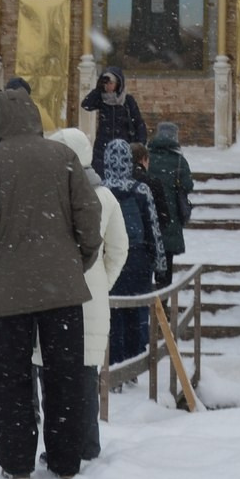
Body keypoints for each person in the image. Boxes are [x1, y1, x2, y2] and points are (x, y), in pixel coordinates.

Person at [0, 84, 104, 479]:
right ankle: (65, 460)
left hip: (9, 290)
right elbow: (88, 215)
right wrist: (78, 260)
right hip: (62, 288)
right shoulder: (63, 156)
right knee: (66, 375)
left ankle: (17, 460)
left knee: (12, 379)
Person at [50, 126, 129, 461]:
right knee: (85, 376)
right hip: (90, 294)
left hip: (52, 292)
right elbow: (119, 249)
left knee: (54, 375)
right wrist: (101, 282)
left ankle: (58, 444)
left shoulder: (48, 195)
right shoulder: (105, 196)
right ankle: (86, 444)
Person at [97, 137, 161, 363]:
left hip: (109, 260)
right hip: (138, 260)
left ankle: (114, 361)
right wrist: (158, 262)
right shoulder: (141, 190)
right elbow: (153, 227)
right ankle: (136, 361)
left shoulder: (99, 190)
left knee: (112, 314)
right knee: (137, 312)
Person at [144, 121, 194, 289]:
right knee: (165, 265)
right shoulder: (179, 161)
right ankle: (162, 304)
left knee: (147, 260)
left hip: (148, 218)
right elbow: (188, 186)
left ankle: (146, 301)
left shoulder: (146, 157)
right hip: (169, 220)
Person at [81, 67, 147, 153]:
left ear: (118, 84)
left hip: (124, 146)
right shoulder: (101, 99)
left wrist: (140, 144)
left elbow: (138, 123)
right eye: (106, 83)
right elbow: (86, 104)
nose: (108, 86)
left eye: (111, 83)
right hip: (103, 146)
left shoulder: (127, 100)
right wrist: (98, 89)